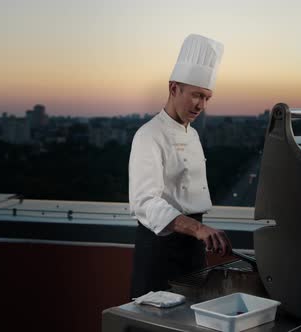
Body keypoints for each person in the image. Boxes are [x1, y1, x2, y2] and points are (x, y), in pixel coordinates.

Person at [129, 34, 232, 298]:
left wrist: (200, 232)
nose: (202, 105)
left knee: (192, 317)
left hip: (193, 246)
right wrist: (198, 229)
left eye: (207, 97)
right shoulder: (148, 135)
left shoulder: (193, 134)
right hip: (160, 247)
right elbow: (145, 202)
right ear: (173, 88)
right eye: (197, 95)